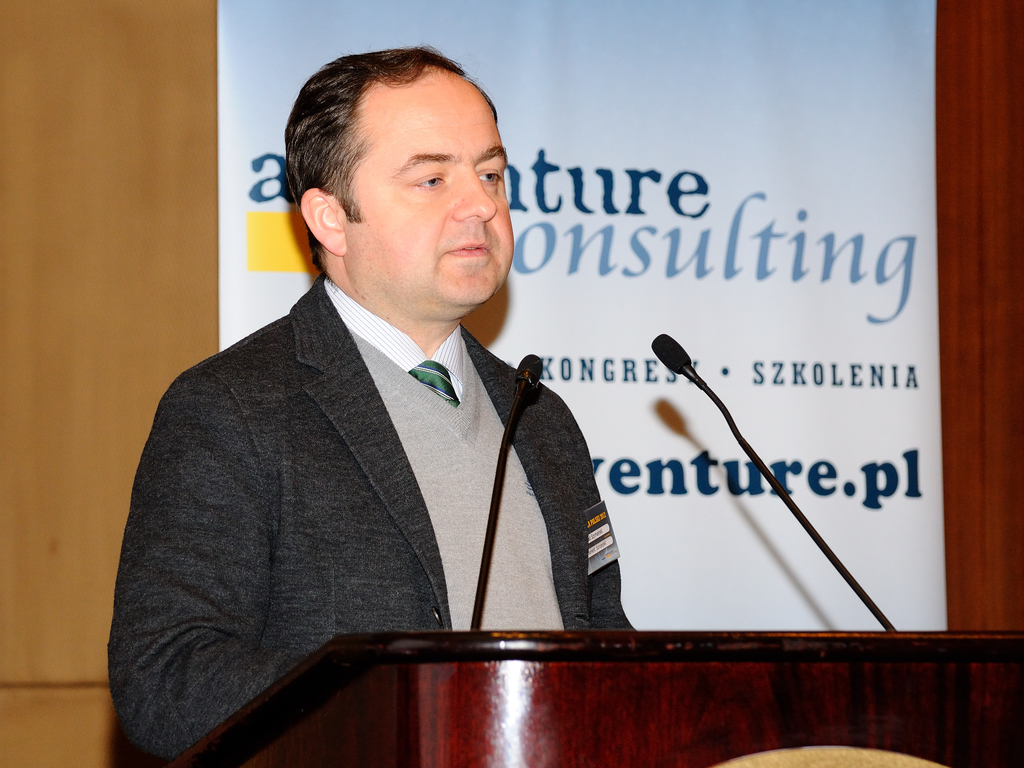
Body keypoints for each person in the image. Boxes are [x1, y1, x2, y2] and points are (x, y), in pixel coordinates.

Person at [108, 47, 630, 760]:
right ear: (330, 217)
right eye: (433, 179)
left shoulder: (540, 418)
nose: (482, 205)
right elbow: (166, 676)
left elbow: (608, 648)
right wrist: (410, 706)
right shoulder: (232, 409)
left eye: (490, 174)